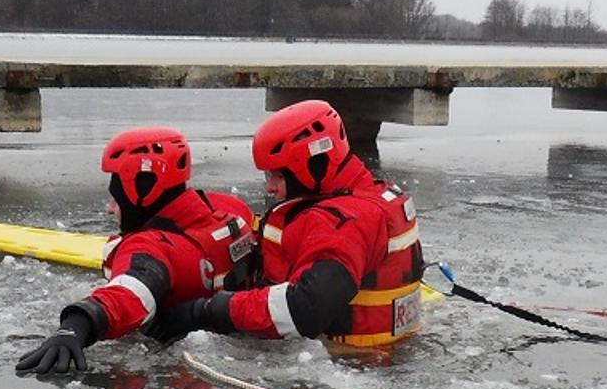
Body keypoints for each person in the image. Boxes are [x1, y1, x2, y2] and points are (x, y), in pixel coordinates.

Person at [150, 99, 424, 349]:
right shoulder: (373, 194)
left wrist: (207, 310)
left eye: (277, 176)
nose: (269, 188)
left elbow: (304, 308)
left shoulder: (342, 223)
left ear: (313, 165)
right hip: (388, 349)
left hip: (349, 360)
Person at [16, 126, 257, 375]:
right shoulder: (232, 210)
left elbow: (131, 293)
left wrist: (76, 324)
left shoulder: (149, 248)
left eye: (115, 199)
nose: (110, 209)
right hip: (234, 327)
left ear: (140, 192)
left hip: (178, 370)